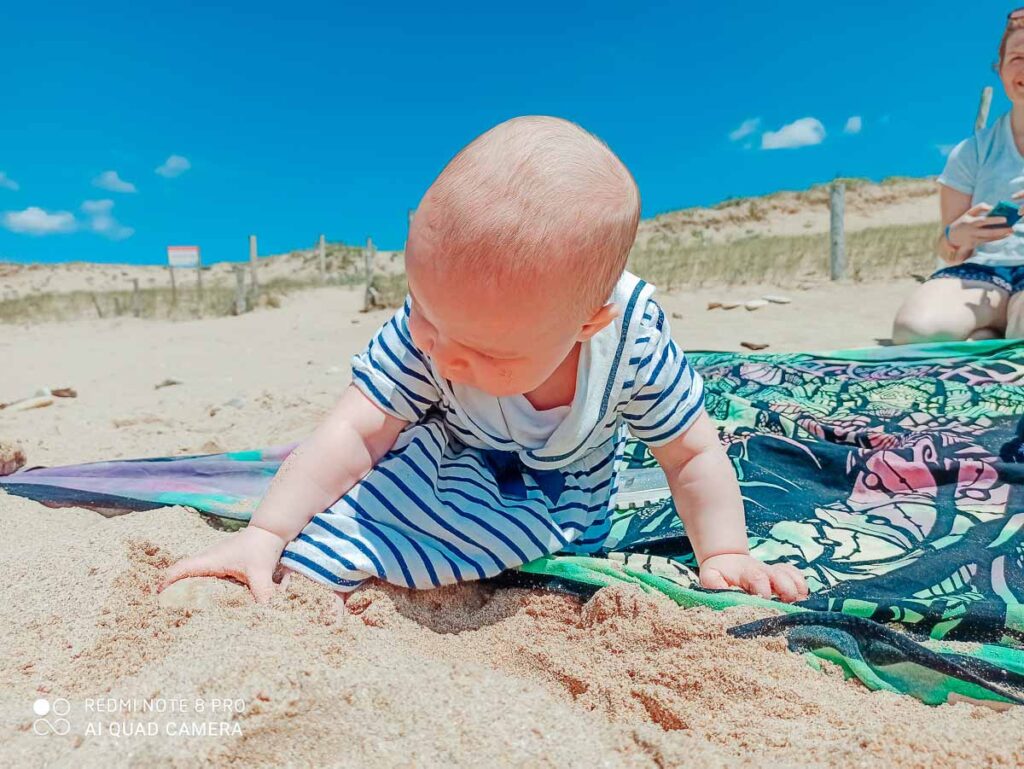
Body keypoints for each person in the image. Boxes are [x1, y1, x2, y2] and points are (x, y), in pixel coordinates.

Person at [159, 116, 808, 605]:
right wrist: (268, 530)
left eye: (485, 351)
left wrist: (724, 550)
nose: (441, 351)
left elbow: (690, 453)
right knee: (366, 508)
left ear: (589, 324)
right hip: (453, 450)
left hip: (568, 486)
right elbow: (355, 430)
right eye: (422, 309)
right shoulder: (439, 325)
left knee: (553, 550)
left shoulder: (633, 341)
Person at [893, 9, 1024, 344]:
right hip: (983, 275)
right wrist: (957, 235)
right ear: (1000, 67)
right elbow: (948, 251)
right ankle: (998, 326)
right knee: (915, 331)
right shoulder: (972, 152)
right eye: (1017, 57)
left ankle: (995, 330)